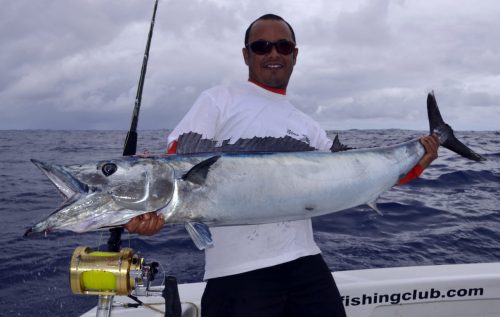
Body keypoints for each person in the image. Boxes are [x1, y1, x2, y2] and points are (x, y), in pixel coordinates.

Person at [126, 14, 440, 316]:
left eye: (283, 46)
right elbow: (178, 164)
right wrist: (154, 211)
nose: (273, 53)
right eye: (262, 47)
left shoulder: (307, 126)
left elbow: (357, 178)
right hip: (238, 273)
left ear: (295, 55)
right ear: (246, 55)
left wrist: (416, 163)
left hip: (305, 261)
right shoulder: (217, 100)